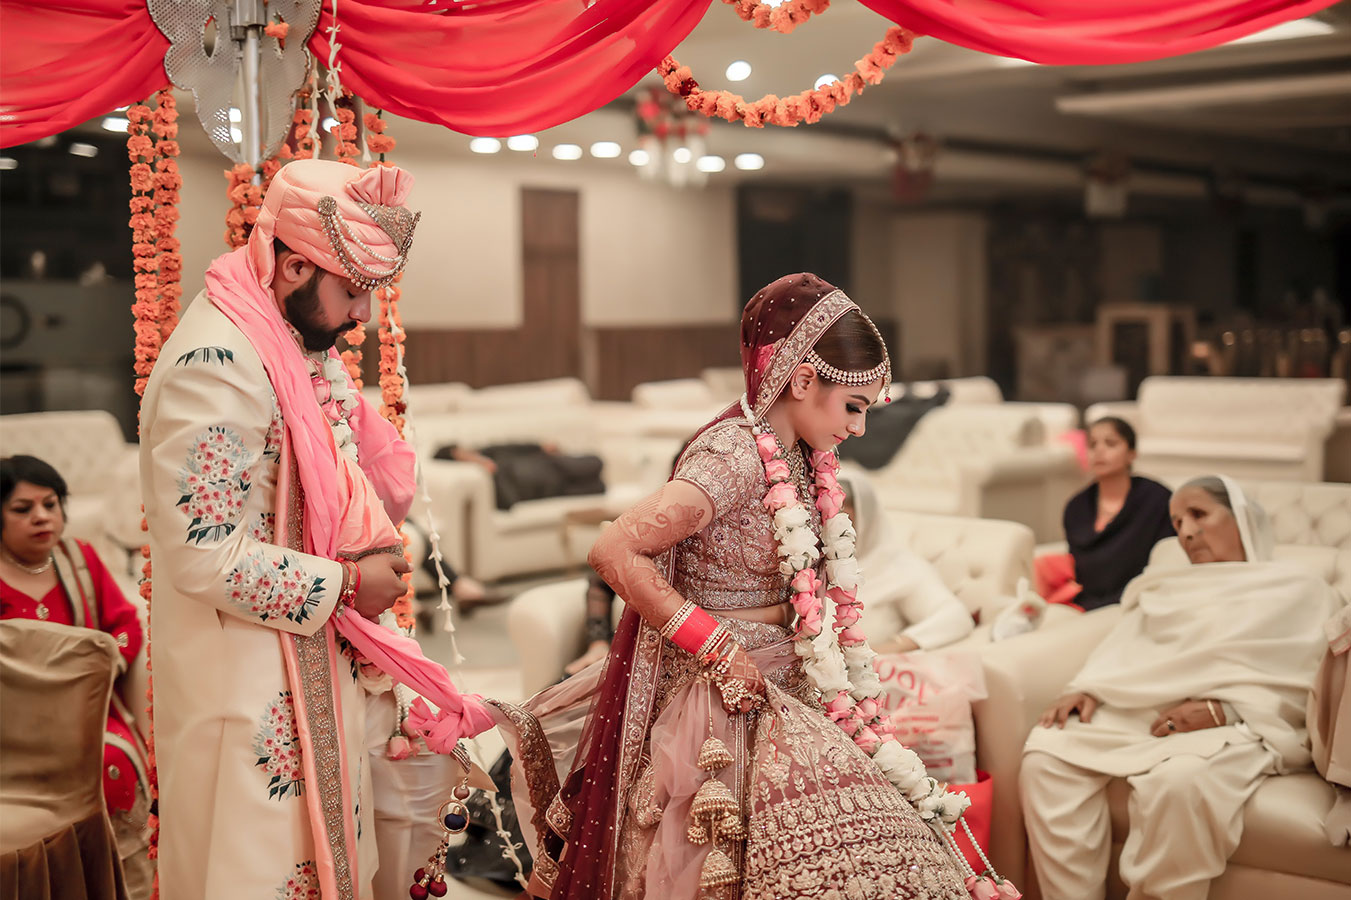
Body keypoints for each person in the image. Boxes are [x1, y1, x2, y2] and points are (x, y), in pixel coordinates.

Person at [497, 274, 969, 900]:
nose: (859, 428)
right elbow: (613, 550)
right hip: (716, 695)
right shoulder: (733, 456)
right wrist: (715, 645)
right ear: (803, 381)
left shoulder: (801, 456)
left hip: (789, 678)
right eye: (854, 406)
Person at [139, 160, 422, 899]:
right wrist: (348, 584)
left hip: (302, 655)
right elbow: (201, 554)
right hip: (246, 678)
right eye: (352, 290)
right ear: (294, 266)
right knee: (255, 869)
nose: (363, 314)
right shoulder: (217, 364)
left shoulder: (286, 344)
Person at [1020, 475, 1338, 900]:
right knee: (1046, 757)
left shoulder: (1302, 589)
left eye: (1198, 514)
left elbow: (1313, 683)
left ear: (1241, 517)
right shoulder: (1167, 586)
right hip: (1144, 712)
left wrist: (1224, 711)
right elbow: (1125, 644)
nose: (1186, 531)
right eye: (1177, 522)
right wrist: (1087, 687)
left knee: (1178, 783)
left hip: (1238, 723)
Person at [0, 454, 152, 895]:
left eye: (50, 504)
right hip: (13, 725)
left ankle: (123, 884)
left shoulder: (79, 560)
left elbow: (124, 625)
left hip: (89, 714)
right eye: (23, 508)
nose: (42, 517)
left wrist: (102, 666)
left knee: (111, 763)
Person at [1034, 417, 1174, 610]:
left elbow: (1166, 559)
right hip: (1084, 603)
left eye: (1110, 443)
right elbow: (1080, 569)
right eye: (1092, 445)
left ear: (1131, 453)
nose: (1099, 451)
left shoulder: (1156, 499)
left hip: (1142, 600)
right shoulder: (1076, 507)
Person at [839, 471, 973, 653]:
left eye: (843, 520)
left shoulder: (898, 566)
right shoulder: (806, 563)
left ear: (866, 520)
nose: (831, 529)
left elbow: (954, 617)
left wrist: (891, 648)